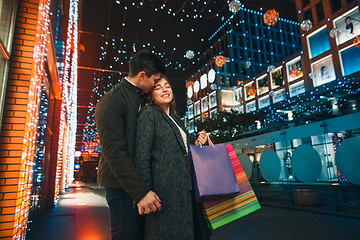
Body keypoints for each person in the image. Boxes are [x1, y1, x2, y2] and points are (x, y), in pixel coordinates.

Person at [95, 51, 166, 240]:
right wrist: (141, 193)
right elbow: (114, 154)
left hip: (139, 184)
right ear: (142, 75)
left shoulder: (141, 98)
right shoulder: (111, 101)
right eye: (155, 80)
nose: (155, 85)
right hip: (120, 187)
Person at [134, 76, 211, 240]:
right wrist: (144, 191)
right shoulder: (149, 113)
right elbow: (141, 156)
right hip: (164, 194)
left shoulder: (177, 120)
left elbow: (181, 154)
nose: (165, 89)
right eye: (158, 87)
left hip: (186, 192)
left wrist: (197, 144)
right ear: (150, 95)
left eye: (167, 86)